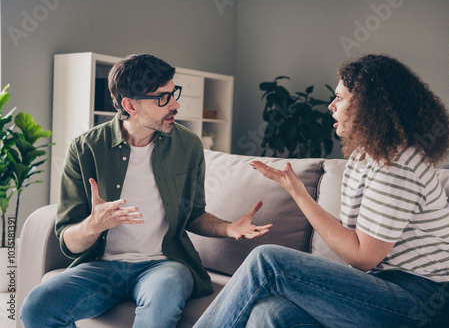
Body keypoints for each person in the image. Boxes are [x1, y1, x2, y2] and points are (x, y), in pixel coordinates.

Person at [193, 54, 449, 328]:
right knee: (270, 313)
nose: (331, 105)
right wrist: (297, 190)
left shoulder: (397, 166)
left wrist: (299, 194)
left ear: (369, 106)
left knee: (267, 260)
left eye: (340, 98)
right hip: (382, 291)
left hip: (424, 303)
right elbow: (359, 240)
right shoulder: (366, 157)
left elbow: (362, 256)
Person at [20, 53, 272, 328]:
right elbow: (68, 242)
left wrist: (228, 228)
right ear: (130, 105)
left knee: (159, 308)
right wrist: (93, 225)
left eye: (173, 92)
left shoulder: (188, 145)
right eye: (162, 97)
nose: (175, 104)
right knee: (37, 307)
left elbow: (193, 213)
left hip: (165, 265)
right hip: (103, 267)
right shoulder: (85, 148)